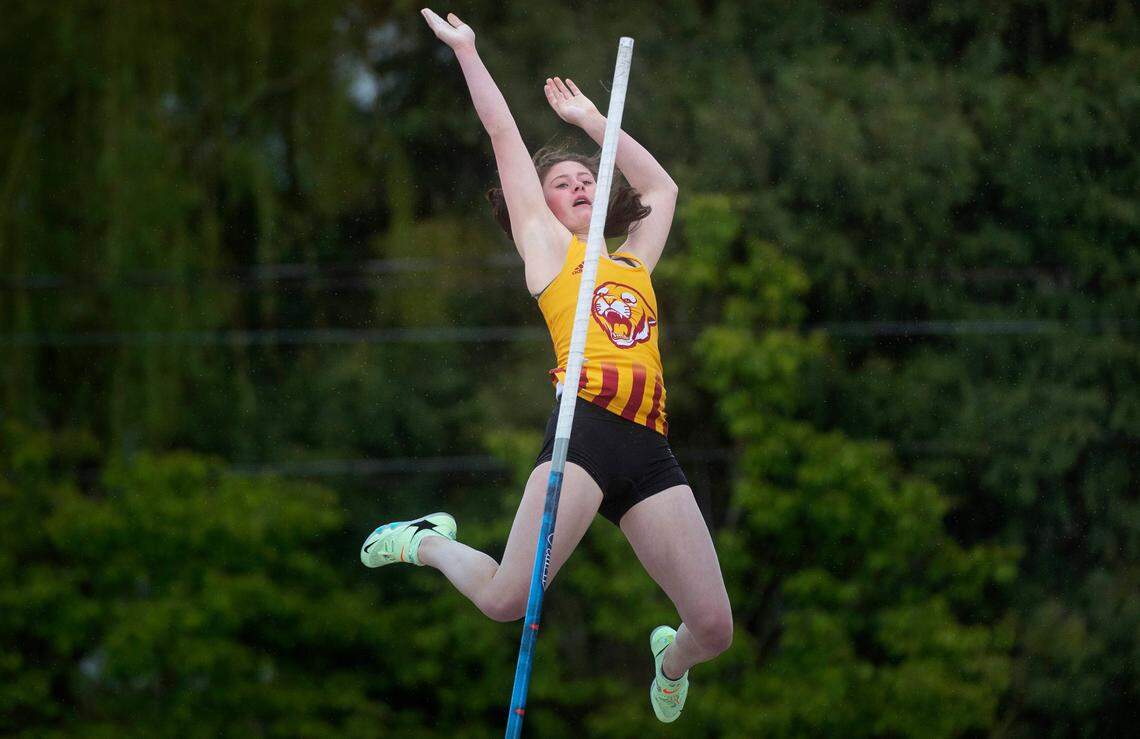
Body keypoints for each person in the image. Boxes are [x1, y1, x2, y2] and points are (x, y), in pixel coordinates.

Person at [361, 8, 733, 724]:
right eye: (563, 184)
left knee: (712, 629)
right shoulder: (549, 255)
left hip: (648, 447)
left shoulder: (633, 261)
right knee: (506, 599)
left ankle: (669, 657)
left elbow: (662, 192)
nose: (581, 186)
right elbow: (503, 133)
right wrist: (467, 52)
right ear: (542, 207)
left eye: (588, 179)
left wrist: (596, 123)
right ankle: (427, 542)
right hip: (584, 437)